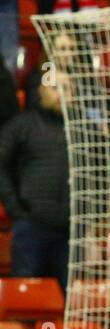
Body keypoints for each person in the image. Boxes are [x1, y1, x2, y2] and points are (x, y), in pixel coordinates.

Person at [0, 70, 72, 290]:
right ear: (41, 90)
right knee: (25, 292)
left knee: (67, 303)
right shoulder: (22, 125)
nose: (61, 94)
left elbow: (101, 172)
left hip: (70, 231)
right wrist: (15, 208)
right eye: (55, 88)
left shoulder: (83, 131)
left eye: (67, 89)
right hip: (31, 227)